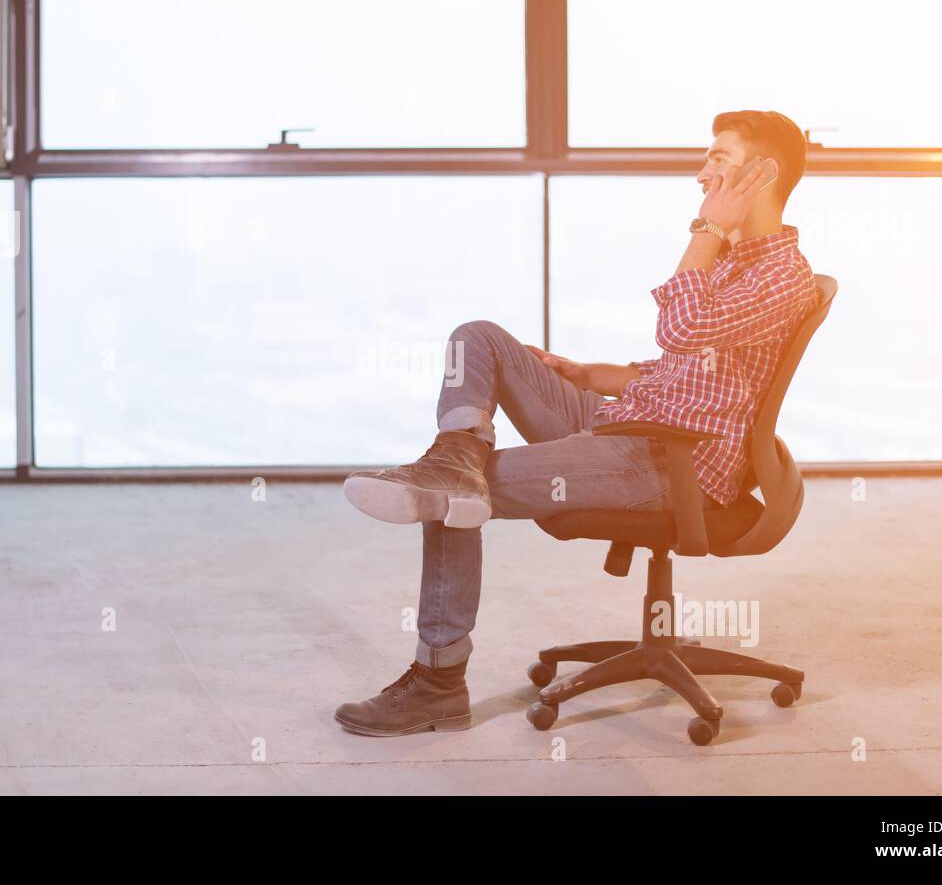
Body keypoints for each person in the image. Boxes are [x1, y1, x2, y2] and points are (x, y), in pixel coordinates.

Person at [335, 110, 819, 737]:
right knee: (477, 338)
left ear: (764, 173)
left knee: (451, 501)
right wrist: (597, 375)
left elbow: (681, 329)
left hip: (671, 461)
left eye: (718, 160)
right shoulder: (736, 261)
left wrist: (705, 230)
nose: (702, 174)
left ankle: (438, 683)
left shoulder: (782, 275)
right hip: (631, 419)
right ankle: (458, 452)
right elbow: (693, 368)